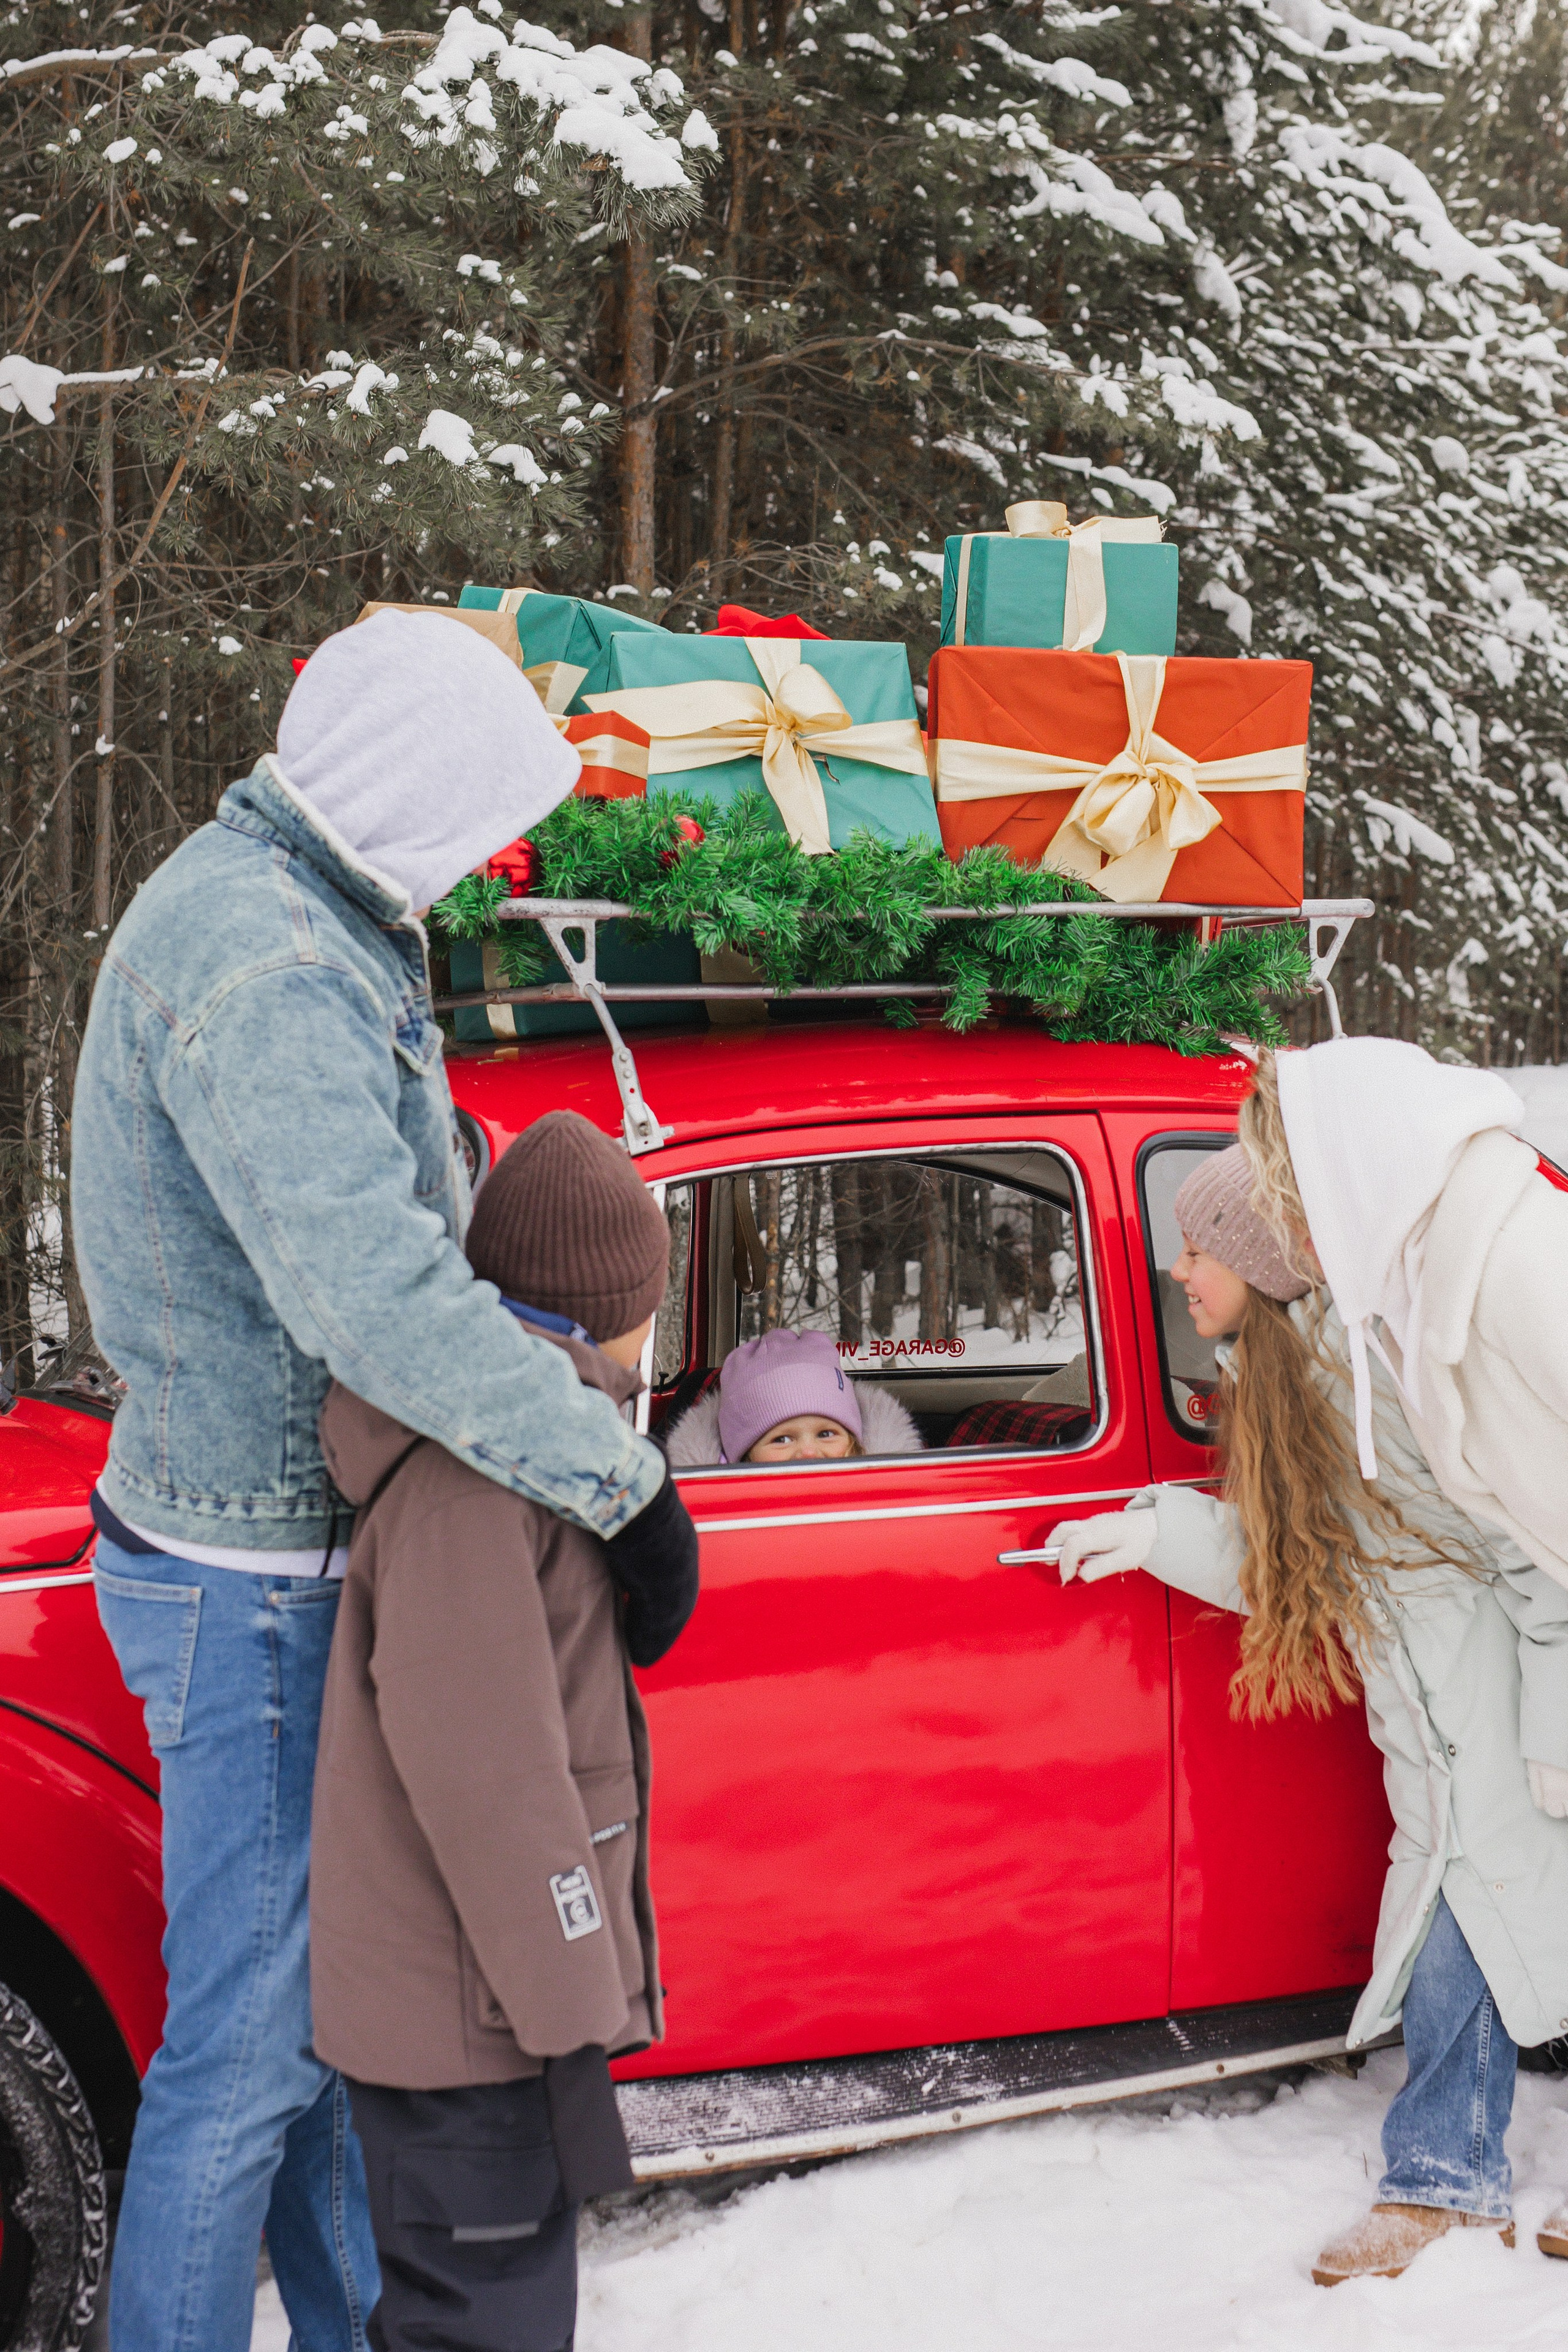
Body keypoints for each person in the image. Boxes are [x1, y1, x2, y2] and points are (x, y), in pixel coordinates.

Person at [70, 614, 699, 2352]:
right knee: (251, 2054)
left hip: (269, 1536)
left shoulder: (312, 915)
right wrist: (617, 1478)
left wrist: (495, 1180)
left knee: (323, 2036)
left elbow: (358, 1181)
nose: (494, 854)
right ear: (410, 793)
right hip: (251, 1574)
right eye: (482, 812)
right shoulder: (272, 971)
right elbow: (380, 1303)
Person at [1052, 1143, 1568, 2285]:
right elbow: (1307, 1564)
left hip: (1512, 1704)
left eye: (1198, 1250)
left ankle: (1437, 2176)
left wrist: (1554, 1732)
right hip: (1439, 1722)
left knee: (1504, 1923)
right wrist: (1154, 1532)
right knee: (1476, 1928)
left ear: (1261, 1260)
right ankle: (1444, 2176)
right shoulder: (1292, 1375)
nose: (1176, 1270)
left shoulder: (1388, 1381)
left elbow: (1540, 1545)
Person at [311, 1110, 694, 2352]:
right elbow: (491, 1778)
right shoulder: (478, 1480)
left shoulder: (536, 1450)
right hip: (472, 2023)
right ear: (608, 1310)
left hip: (482, 2010)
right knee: (481, 2326)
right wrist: (569, 2000)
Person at [664, 1327, 922, 1465]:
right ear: (744, 1456)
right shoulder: (721, 1511)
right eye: (782, 1439)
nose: (808, 1452)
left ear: (854, 1441)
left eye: (826, 1434)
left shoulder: (884, 1497)